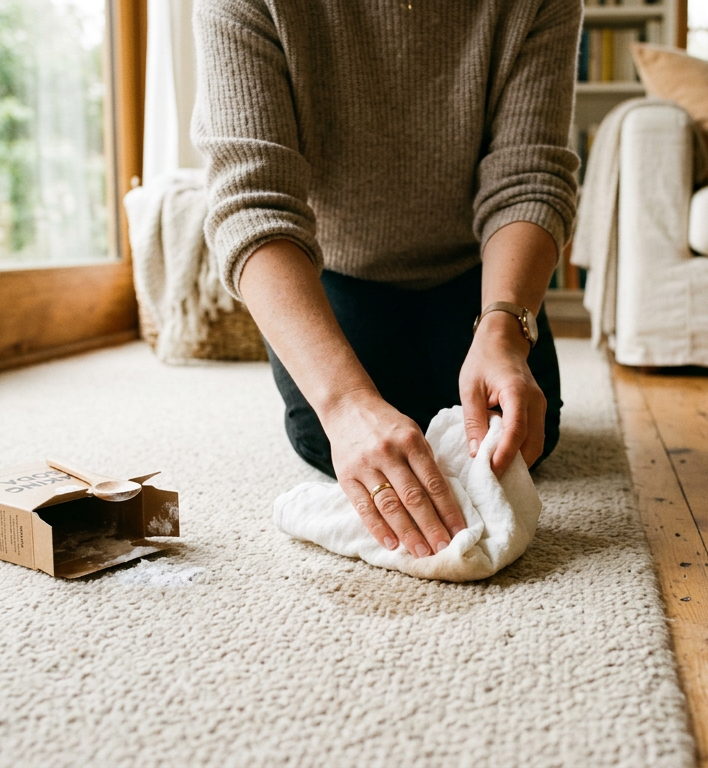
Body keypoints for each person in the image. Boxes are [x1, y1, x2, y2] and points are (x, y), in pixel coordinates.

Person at [192, 0, 581, 562]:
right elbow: (253, 204)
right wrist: (345, 404)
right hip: (337, 272)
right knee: (329, 445)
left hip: (479, 274)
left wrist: (504, 329)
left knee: (525, 437)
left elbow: (530, 176)